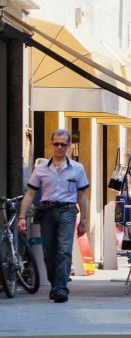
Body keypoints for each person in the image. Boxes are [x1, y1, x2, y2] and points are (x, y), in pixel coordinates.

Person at [16, 129, 89, 303]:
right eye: (56, 144)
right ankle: (55, 285)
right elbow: (30, 194)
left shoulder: (77, 168)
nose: (59, 147)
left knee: (64, 250)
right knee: (49, 253)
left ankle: (61, 289)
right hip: (47, 211)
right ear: (51, 144)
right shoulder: (41, 169)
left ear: (69, 145)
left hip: (68, 211)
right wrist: (22, 217)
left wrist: (83, 221)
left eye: (63, 144)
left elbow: (82, 195)